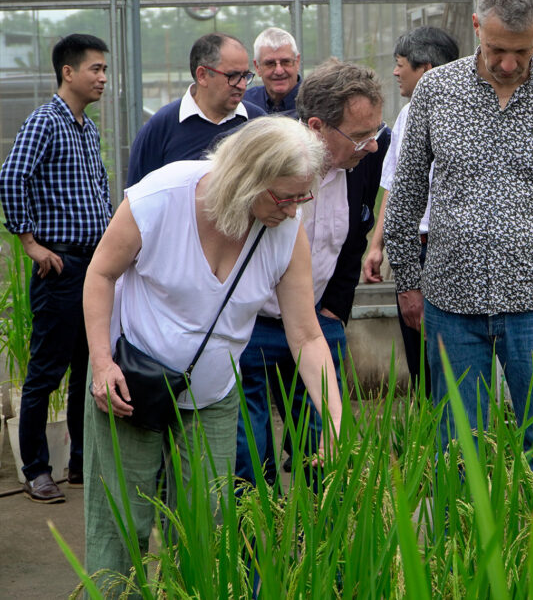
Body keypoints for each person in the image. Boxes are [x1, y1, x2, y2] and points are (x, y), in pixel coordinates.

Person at [82, 115, 345, 583]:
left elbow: (305, 336)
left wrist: (335, 422)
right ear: (245, 179)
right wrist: (101, 362)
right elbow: (100, 274)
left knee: (209, 523)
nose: (291, 209)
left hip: (213, 392)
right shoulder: (161, 198)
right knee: (122, 523)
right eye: (283, 196)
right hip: (129, 382)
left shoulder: (286, 229)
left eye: (301, 197)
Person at [384, 0, 533, 488]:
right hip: (449, 303)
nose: (508, 63)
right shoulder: (435, 91)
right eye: (496, 49)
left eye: (521, 50)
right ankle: (461, 561)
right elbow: (405, 193)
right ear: (475, 27)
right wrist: (407, 281)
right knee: (454, 443)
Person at [235, 59, 385, 487]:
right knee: (249, 450)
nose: (372, 145)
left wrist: (336, 307)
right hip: (251, 326)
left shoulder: (362, 162)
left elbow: (358, 231)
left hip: (317, 321)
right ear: (316, 127)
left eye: (375, 131)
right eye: (360, 136)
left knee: (325, 447)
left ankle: (319, 544)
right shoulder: (265, 158)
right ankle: (252, 544)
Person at [0, 33, 112, 504]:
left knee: (91, 365)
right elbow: (11, 175)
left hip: (95, 263)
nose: (103, 78)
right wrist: (29, 243)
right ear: (69, 72)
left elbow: (99, 190)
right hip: (61, 263)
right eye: (95, 69)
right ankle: (37, 470)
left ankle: (84, 464)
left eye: (104, 70)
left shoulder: (86, 128)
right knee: (47, 370)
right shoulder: (45, 121)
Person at [362, 25, 459, 396]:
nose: (395, 72)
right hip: (414, 251)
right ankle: (436, 443)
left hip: (450, 248)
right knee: (421, 358)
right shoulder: (408, 115)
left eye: (401, 64)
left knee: (454, 357)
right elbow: (395, 185)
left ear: (428, 69)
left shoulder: (470, 115)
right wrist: (377, 244)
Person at [127, 32, 265, 186]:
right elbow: (137, 199)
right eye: (232, 76)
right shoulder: (161, 128)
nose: (242, 85)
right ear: (202, 75)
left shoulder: (258, 124)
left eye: (245, 75)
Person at [243, 27, 302, 115]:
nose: (279, 71)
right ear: (257, 67)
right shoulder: (245, 104)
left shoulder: (317, 103)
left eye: (285, 62)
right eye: (270, 63)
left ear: (297, 62)